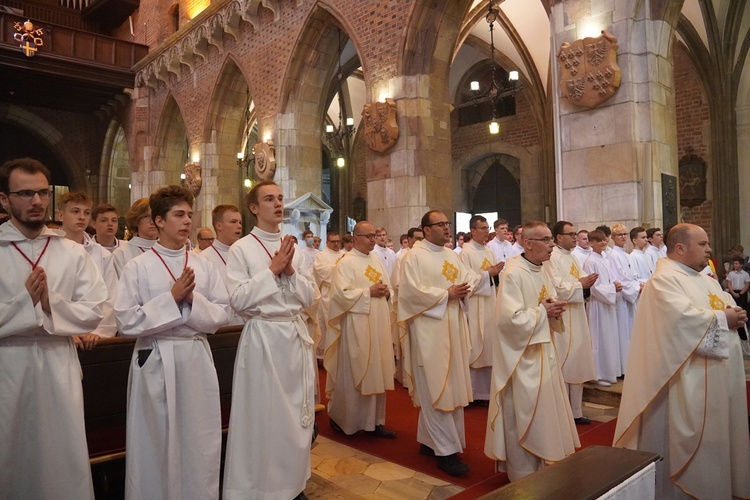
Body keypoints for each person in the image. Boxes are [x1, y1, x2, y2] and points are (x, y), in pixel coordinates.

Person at [614, 223, 750, 499]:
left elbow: (721, 307)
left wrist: (735, 313)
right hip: (683, 390)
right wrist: (725, 318)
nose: (709, 249)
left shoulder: (706, 279)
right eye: (703, 244)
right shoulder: (663, 281)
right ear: (680, 248)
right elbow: (679, 322)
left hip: (716, 385)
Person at [0, 158, 107, 499]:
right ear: (4, 199)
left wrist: (50, 304)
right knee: (11, 453)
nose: (37, 201)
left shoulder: (72, 252)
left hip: (58, 363)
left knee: (62, 453)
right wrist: (24, 302)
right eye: (26, 193)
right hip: (8, 366)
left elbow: (94, 310)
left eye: (43, 193)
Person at [115, 185, 230, 500]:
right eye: (178, 215)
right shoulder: (137, 266)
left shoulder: (203, 265)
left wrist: (191, 301)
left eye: (190, 215)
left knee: (199, 439)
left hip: (195, 356)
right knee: (155, 440)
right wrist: (172, 299)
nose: (187, 222)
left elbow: (221, 313)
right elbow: (126, 321)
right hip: (156, 358)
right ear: (158, 221)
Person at [223, 181, 316, 500]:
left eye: (280, 198)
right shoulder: (242, 249)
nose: (277, 204)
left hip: (293, 336)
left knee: (295, 418)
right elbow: (237, 299)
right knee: (265, 417)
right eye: (268, 199)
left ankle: (294, 484)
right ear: (253, 207)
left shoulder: (296, 248)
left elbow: (311, 296)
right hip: (262, 338)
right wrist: (271, 271)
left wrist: (289, 270)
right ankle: (264, 488)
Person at [485, 221, 579, 481]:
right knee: (523, 414)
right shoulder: (513, 273)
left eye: (551, 239)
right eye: (546, 240)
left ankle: (542, 465)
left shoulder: (542, 268)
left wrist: (551, 308)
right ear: (528, 243)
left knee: (544, 414)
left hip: (543, 352)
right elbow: (508, 320)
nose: (552, 245)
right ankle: (522, 474)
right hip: (521, 359)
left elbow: (543, 302)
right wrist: (543, 312)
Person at [397, 210, 484, 476]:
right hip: (429, 332)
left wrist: (468, 286)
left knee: (451, 385)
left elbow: (470, 278)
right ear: (426, 230)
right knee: (437, 387)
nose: (447, 228)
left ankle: (430, 440)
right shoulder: (413, 257)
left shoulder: (450, 254)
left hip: (454, 326)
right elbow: (410, 294)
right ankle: (446, 453)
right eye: (441, 224)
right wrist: (445, 295)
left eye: (447, 223)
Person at [325, 221, 396, 437]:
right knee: (357, 371)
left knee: (378, 371)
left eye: (375, 235)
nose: (373, 240)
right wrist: (368, 292)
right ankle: (346, 420)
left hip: (379, 324)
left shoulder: (375, 260)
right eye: (368, 236)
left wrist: (386, 293)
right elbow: (339, 295)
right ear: (356, 239)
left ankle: (375, 422)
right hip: (357, 327)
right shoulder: (345, 263)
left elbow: (389, 287)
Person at [542, 221, 598, 424]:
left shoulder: (572, 257)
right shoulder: (552, 258)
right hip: (563, 315)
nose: (575, 237)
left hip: (578, 315)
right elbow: (555, 288)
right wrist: (580, 285)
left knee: (577, 361)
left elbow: (581, 280)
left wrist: (586, 284)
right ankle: (563, 411)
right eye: (571, 234)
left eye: (575, 234)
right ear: (558, 238)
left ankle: (576, 411)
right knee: (564, 361)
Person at [57, 192, 118, 349]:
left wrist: (98, 331)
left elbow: (110, 297)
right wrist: (67, 331)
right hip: (59, 336)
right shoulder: (49, 250)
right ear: (60, 215)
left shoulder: (102, 254)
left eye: (87, 213)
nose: (82, 217)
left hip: (94, 336)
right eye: (75, 211)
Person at [459, 215, 504, 403]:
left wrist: (494, 275)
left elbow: (494, 280)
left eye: (487, 228)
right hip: (474, 307)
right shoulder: (465, 253)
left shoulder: (488, 251)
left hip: (490, 304)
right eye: (483, 228)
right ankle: (472, 393)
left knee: (489, 346)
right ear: (473, 231)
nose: (487, 231)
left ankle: (485, 393)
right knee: (475, 346)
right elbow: (466, 282)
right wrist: (488, 274)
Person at [583, 230, 621, 386]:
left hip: (607, 304)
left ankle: (609, 372)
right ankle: (597, 374)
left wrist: (616, 285)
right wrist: (612, 288)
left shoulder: (604, 259)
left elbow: (611, 279)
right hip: (597, 305)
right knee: (599, 338)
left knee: (609, 338)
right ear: (591, 243)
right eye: (599, 241)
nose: (603, 243)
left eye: (605, 240)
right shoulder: (590, 261)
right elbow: (594, 288)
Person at [199, 204, 244, 325]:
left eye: (240, 222)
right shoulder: (204, 259)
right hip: (221, 326)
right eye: (233, 222)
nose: (239, 226)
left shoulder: (245, 253)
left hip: (247, 323)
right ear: (219, 226)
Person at [608, 224, 640, 373]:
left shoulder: (627, 256)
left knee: (632, 333)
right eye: (619, 235)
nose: (623, 237)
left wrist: (638, 285)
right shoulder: (612, 256)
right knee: (623, 333)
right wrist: (636, 288)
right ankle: (624, 368)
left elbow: (633, 276)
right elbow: (618, 279)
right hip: (622, 300)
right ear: (613, 238)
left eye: (624, 234)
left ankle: (632, 365)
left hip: (631, 299)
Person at [313, 231, 343, 358]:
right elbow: (320, 271)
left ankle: (340, 353)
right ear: (327, 242)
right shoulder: (321, 255)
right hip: (327, 294)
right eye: (333, 241)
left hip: (341, 294)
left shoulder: (344, 254)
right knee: (327, 323)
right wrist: (338, 267)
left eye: (338, 241)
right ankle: (326, 355)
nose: (336, 244)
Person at [112, 198, 158, 277]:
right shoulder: (121, 254)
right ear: (136, 220)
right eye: (146, 216)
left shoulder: (168, 249)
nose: (152, 221)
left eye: (155, 216)